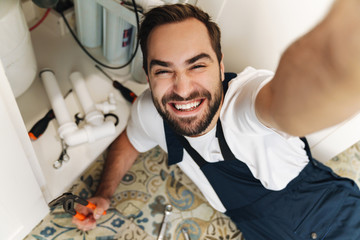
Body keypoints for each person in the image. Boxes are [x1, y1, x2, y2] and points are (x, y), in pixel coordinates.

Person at [73, 2, 360, 239]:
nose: (183, 89)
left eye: (197, 65)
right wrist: (104, 194)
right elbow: (129, 141)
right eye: (163, 71)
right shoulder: (149, 109)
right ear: (148, 77)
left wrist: (342, 53)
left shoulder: (243, 107)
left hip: (328, 220)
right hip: (258, 229)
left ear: (220, 66)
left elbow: (288, 101)